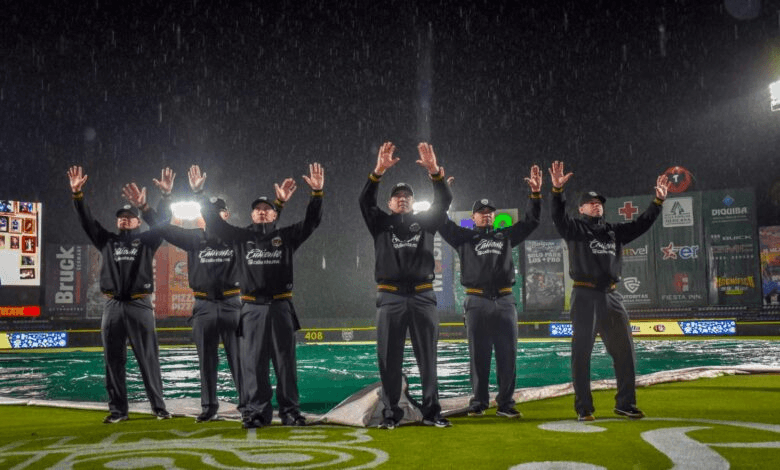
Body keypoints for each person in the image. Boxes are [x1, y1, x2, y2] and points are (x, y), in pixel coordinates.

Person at [202, 163, 324, 429]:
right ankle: (258, 412)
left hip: (281, 306)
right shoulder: (240, 237)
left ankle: (290, 411)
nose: (261, 212)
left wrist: (317, 194)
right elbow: (214, 223)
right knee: (254, 364)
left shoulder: (286, 237)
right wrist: (200, 194)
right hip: (252, 308)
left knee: (285, 364)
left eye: (267, 209)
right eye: (257, 209)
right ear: (251, 215)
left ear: (274, 215)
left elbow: (312, 222)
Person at [548, 160, 668, 421]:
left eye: (599, 202)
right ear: (581, 208)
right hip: (585, 296)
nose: (596, 205)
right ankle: (584, 408)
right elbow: (558, 216)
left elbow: (641, 224)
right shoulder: (575, 229)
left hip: (612, 296)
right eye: (590, 203)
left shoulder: (614, 231)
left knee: (625, 352)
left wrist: (658, 202)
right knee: (582, 354)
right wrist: (557, 191)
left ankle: (625, 403)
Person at [359, 142, 453, 429]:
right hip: (390, 297)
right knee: (389, 360)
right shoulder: (379, 223)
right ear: (389, 203)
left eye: (407, 196)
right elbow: (364, 201)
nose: (402, 199)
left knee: (428, 358)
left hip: (423, 296)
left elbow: (444, 201)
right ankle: (391, 414)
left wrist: (435, 172)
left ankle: (432, 413)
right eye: (397, 196)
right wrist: (377, 172)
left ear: (413, 202)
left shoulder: (426, 222)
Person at [67, 165, 171, 424]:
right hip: (112, 306)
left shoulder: (147, 241)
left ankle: (159, 408)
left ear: (138, 221)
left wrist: (161, 199)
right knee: (113, 361)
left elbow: (163, 226)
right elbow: (87, 221)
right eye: (121, 216)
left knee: (148, 359)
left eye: (130, 216)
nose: (125, 219)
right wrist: (77, 195)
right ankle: (118, 412)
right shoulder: (107, 241)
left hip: (140, 305)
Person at [438, 165, 542, 418]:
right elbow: (441, 221)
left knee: (508, 355)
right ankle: (479, 402)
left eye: (490, 212)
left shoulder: (505, 236)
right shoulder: (463, 237)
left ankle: (505, 404)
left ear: (494, 216)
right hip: (476, 300)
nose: (486, 216)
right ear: (473, 217)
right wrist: (442, 193)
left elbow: (532, 221)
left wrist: (536, 195)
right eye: (481, 213)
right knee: (479, 356)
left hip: (505, 300)